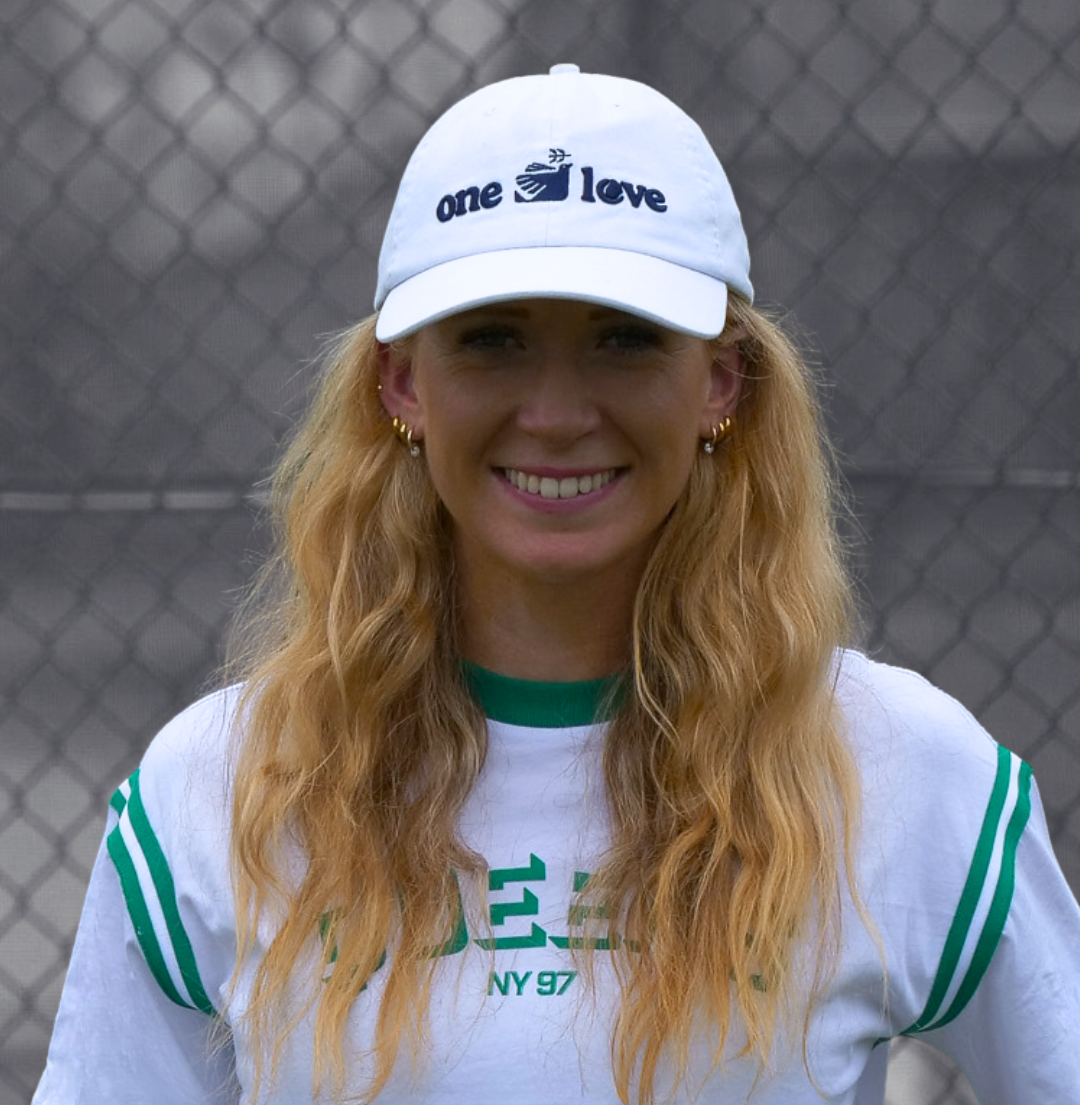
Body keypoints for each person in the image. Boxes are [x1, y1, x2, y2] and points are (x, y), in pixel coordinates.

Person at [34, 66, 1080, 1104]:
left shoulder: (897, 771)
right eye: (493, 342)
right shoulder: (225, 790)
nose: (557, 412)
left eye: (624, 342)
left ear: (721, 383)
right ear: (404, 383)